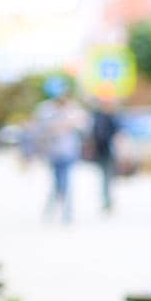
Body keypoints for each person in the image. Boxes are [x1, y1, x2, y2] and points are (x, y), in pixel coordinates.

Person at [35, 87, 85, 224]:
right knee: (57, 181)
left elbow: (81, 125)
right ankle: (53, 208)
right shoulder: (46, 109)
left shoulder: (73, 109)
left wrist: (68, 122)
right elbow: (41, 128)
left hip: (69, 151)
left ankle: (66, 212)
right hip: (52, 151)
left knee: (66, 181)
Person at [88, 100, 120, 213]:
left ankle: (107, 200)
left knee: (107, 177)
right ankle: (106, 200)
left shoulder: (110, 118)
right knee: (105, 177)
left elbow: (117, 134)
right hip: (101, 151)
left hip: (108, 150)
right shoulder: (98, 117)